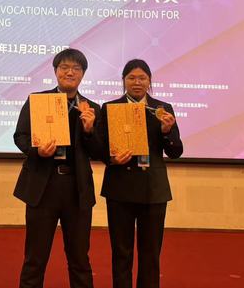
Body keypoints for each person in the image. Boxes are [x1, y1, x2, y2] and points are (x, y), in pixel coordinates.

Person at [13, 48, 103, 288]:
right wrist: (37, 151)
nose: (70, 72)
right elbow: (20, 136)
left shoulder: (92, 108)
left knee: (79, 258)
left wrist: (89, 130)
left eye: (76, 68)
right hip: (44, 186)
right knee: (35, 257)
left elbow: (99, 152)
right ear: (55, 71)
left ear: (83, 74)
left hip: (77, 189)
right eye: (64, 67)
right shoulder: (38, 101)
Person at [98, 59, 183, 288]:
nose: (137, 82)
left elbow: (175, 152)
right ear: (123, 80)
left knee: (150, 253)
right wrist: (112, 158)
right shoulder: (110, 108)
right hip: (120, 188)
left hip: (153, 190)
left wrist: (166, 131)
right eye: (132, 78)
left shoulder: (162, 109)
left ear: (149, 81)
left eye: (142, 78)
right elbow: (99, 147)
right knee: (121, 252)